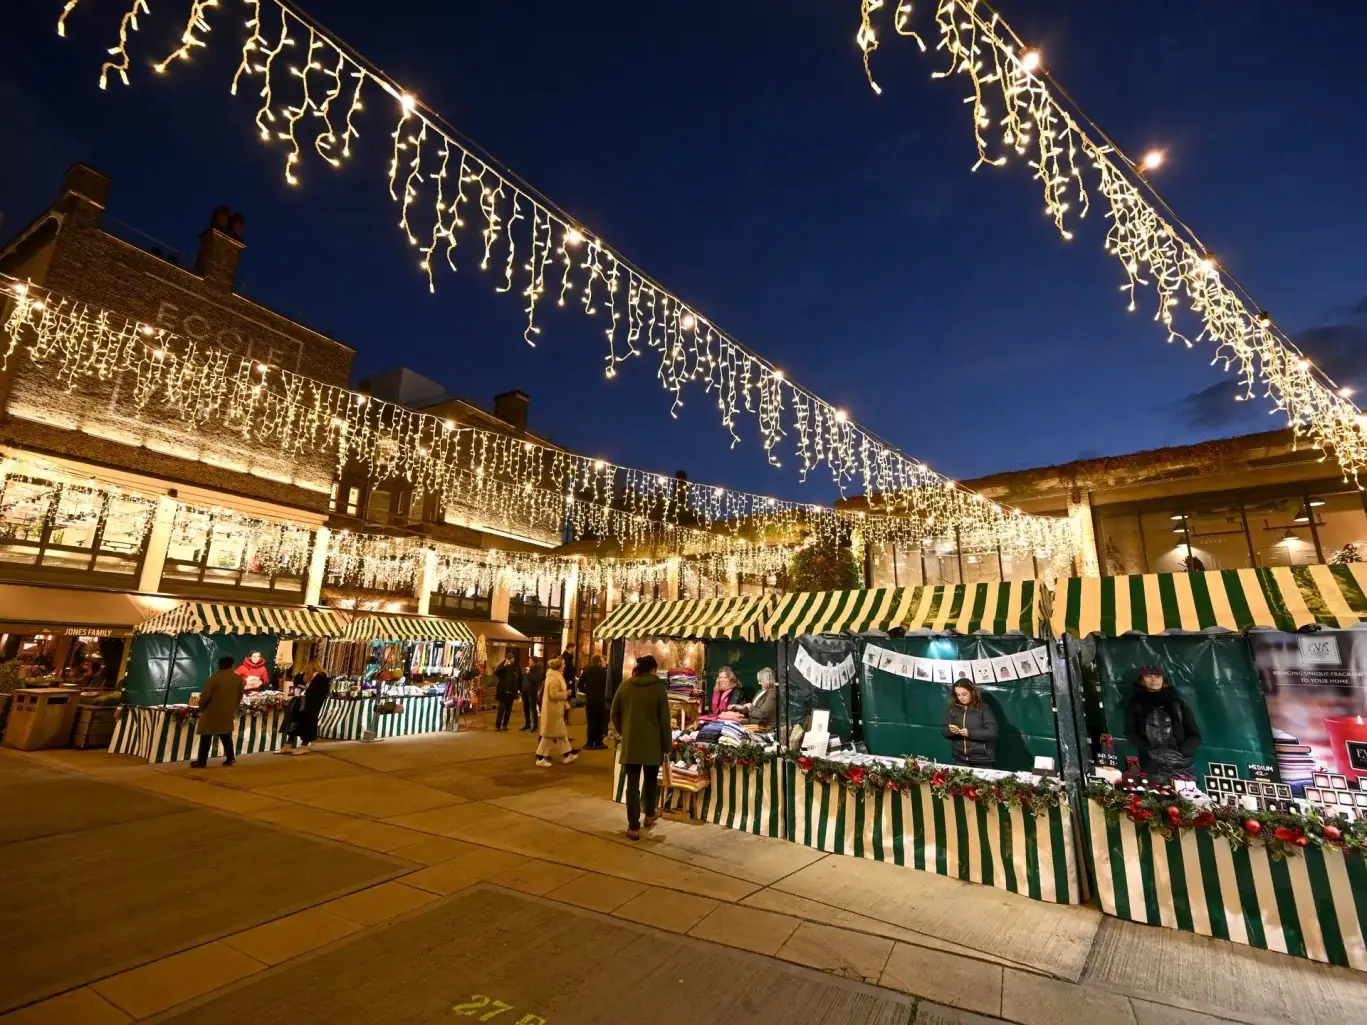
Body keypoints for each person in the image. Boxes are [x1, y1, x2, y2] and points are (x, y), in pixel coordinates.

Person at [611, 654, 673, 840]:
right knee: (651, 780)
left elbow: (614, 713)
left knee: (632, 784)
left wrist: (624, 731)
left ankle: (633, 826)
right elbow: (664, 720)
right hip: (653, 743)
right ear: (653, 669)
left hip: (631, 742)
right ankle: (650, 814)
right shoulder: (658, 688)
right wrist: (667, 745)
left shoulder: (625, 686)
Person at [1124, 664, 1201, 777]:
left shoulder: (1178, 704)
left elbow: (1194, 734)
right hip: (1151, 765)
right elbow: (1130, 732)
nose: (1154, 679)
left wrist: (1182, 752)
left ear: (1163, 680)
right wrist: (1147, 751)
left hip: (1182, 766)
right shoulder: (1136, 705)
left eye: (1157, 676)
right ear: (1142, 680)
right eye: (1149, 676)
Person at [191, 656, 244, 768]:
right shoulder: (238, 678)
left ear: (219, 665)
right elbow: (240, 695)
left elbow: (205, 696)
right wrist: (233, 707)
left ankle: (202, 761)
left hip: (212, 711)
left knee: (206, 736)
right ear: (232, 665)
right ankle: (230, 758)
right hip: (228, 711)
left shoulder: (214, 678)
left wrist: (201, 707)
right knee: (226, 735)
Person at [941, 680, 998, 769]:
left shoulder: (984, 708)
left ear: (972, 692)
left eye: (964, 694)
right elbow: (944, 730)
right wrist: (952, 731)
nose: (961, 697)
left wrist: (969, 733)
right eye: (958, 695)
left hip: (982, 760)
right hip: (960, 759)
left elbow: (992, 732)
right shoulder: (953, 709)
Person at [535, 657, 579, 767]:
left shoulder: (554, 676)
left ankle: (567, 755)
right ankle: (540, 758)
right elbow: (553, 695)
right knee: (549, 736)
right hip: (553, 711)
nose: (564, 666)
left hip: (555, 710)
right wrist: (566, 694)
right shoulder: (554, 679)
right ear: (558, 666)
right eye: (563, 664)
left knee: (561, 734)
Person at [283, 658, 330, 752]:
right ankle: (288, 745)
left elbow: (321, 692)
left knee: (308, 723)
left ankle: (304, 746)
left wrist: (308, 692)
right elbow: (296, 683)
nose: (306, 667)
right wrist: (300, 673)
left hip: (312, 704)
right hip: (302, 702)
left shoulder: (321, 677)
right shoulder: (307, 676)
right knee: (295, 722)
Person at [579, 653, 609, 749]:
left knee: (591, 721)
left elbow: (579, 685)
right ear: (599, 662)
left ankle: (590, 742)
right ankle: (599, 742)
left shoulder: (586, 671)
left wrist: (587, 691)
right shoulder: (604, 672)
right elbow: (608, 686)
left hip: (590, 699)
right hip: (601, 700)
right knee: (600, 721)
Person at [493, 653, 521, 732]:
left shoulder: (516, 666)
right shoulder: (502, 665)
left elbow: (519, 677)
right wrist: (504, 666)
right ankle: (498, 725)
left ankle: (505, 725)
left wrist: (519, 690)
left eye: (512, 658)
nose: (511, 660)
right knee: (501, 709)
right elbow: (496, 673)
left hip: (512, 691)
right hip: (503, 691)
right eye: (509, 658)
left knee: (508, 710)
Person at [521, 656, 544, 732]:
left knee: (533, 709)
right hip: (525, 691)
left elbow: (535, 679)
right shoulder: (528, 669)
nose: (529, 662)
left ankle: (535, 726)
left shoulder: (538, 669)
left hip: (532, 692)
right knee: (526, 709)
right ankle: (527, 724)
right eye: (529, 660)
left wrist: (528, 673)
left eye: (530, 660)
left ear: (534, 661)